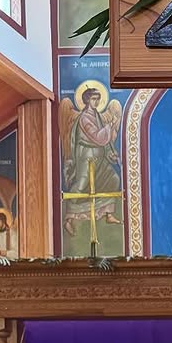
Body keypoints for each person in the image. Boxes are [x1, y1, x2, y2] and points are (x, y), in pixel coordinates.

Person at [62, 86, 123, 235]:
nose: (96, 102)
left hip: (100, 157)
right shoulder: (84, 118)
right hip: (87, 156)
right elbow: (97, 137)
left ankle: (108, 213)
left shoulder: (97, 116)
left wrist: (110, 153)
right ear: (87, 100)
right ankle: (68, 219)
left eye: (98, 99)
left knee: (113, 179)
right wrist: (109, 126)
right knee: (81, 185)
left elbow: (105, 142)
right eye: (94, 99)